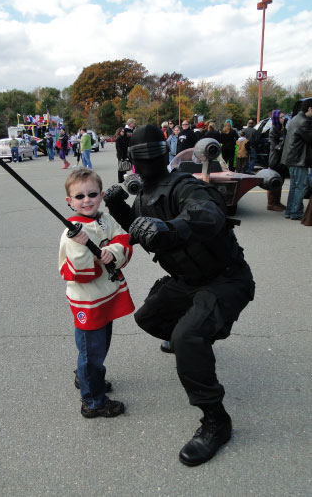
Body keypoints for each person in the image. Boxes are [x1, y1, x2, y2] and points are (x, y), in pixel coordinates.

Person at [104, 125, 254, 466]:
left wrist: (170, 228)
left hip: (225, 279)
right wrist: (121, 210)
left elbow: (208, 215)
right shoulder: (144, 194)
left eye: (144, 159)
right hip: (186, 279)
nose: (140, 165)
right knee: (149, 318)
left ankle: (217, 421)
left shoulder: (185, 186)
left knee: (187, 337)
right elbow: (144, 232)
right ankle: (196, 339)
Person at [59, 168, 134, 418]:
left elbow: (123, 239)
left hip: (106, 296)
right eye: (79, 197)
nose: (86, 200)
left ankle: (88, 377)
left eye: (92, 194)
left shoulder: (105, 219)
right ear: (70, 202)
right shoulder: (72, 233)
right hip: (88, 302)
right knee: (91, 351)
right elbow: (79, 272)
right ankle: (93, 400)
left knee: (99, 347)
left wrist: (112, 252)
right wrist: (83, 248)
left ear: (101, 195)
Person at [282, 98, 312, 220]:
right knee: (301, 186)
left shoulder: (295, 119)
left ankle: (290, 211)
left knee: (295, 186)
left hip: (292, 158)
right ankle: (296, 212)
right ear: (310, 108)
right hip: (298, 159)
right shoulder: (303, 122)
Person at [267, 110, 287, 212]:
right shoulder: (273, 130)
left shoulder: (283, 129)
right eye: (281, 117)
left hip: (282, 160)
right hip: (275, 160)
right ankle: (271, 204)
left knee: (280, 181)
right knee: (273, 181)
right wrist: (283, 141)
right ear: (276, 118)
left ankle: (277, 202)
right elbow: (275, 147)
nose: (283, 119)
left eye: (283, 117)